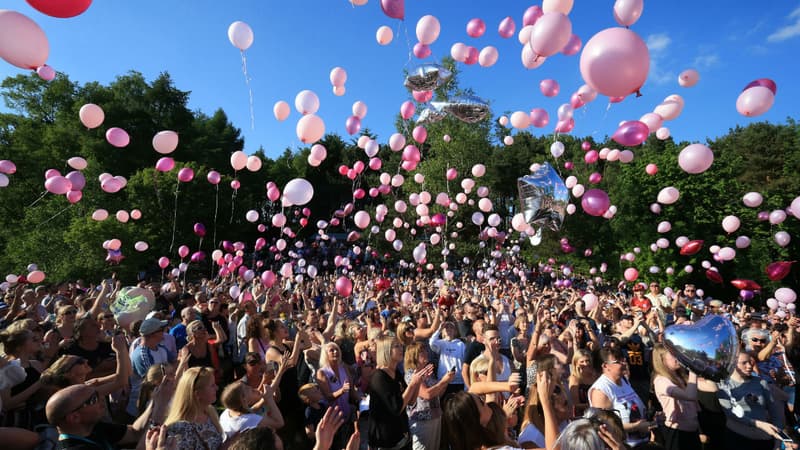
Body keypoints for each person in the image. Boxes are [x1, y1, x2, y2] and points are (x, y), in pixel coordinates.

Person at [368, 335, 433, 450]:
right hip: (385, 441)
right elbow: (396, 408)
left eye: (400, 345)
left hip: (401, 437)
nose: (401, 348)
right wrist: (412, 384)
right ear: (386, 351)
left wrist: (418, 382)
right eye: (396, 346)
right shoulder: (379, 377)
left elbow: (410, 402)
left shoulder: (396, 373)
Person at [717, 352, 784, 450]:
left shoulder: (760, 382)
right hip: (738, 439)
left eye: (750, 362)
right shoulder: (723, 385)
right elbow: (730, 413)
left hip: (764, 439)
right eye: (744, 363)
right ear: (732, 364)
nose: (749, 366)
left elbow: (775, 412)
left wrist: (779, 439)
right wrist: (758, 424)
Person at [588, 347, 652, 448]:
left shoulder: (624, 381)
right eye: (618, 361)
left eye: (623, 359)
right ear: (605, 366)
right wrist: (636, 427)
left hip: (642, 442)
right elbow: (603, 426)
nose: (624, 363)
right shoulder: (600, 390)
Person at [404, 341, 453, 450]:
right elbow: (427, 394)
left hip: (435, 416)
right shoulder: (412, 374)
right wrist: (443, 382)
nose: (426, 353)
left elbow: (438, 395)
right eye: (421, 351)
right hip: (422, 421)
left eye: (425, 350)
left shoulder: (428, 372)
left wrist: (446, 382)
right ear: (413, 356)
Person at [651, 344, 700, 450]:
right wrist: (693, 370)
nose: (678, 357)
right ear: (662, 360)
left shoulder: (678, 375)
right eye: (673, 355)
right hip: (677, 433)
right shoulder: (661, 381)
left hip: (692, 430)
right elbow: (690, 396)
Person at [163, 367, 224, 450]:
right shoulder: (180, 428)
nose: (217, 388)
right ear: (197, 394)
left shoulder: (209, 412)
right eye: (212, 385)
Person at [316, 341, 356, 450]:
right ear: (325, 354)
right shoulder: (322, 372)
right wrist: (342, 391)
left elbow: (352, 391)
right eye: (331, 350)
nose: (335, 352)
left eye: (337, 349)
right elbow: (328, 396)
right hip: (333, 419)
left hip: (347, 416)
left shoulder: (344, 368)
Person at [219, 380, 284, 442]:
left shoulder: (227, 412)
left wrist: (264, 399)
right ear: (243, 400)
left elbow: (251, 410)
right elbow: (279, 423)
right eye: (246, 389)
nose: (249, 387)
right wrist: (269, 398)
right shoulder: (249, 420)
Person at [429, 320, 466, 395]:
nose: (449, 329)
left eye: (451, 327)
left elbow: (464, 361)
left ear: (455, 331)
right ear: (443, 331)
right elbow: (431, 343)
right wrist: (439, 329)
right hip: (444, 379)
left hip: (458, 380)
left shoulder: (461, 344)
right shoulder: (441, 343)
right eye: (446, 327)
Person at [567, 349, 597, 417]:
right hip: (583, 415)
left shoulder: (595, 375)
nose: (586, 364)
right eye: (582, 362)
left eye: (587, 361)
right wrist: (594, 405)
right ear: (576, 363)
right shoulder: (574, 378)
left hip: (598, 411)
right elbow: (576, 404)